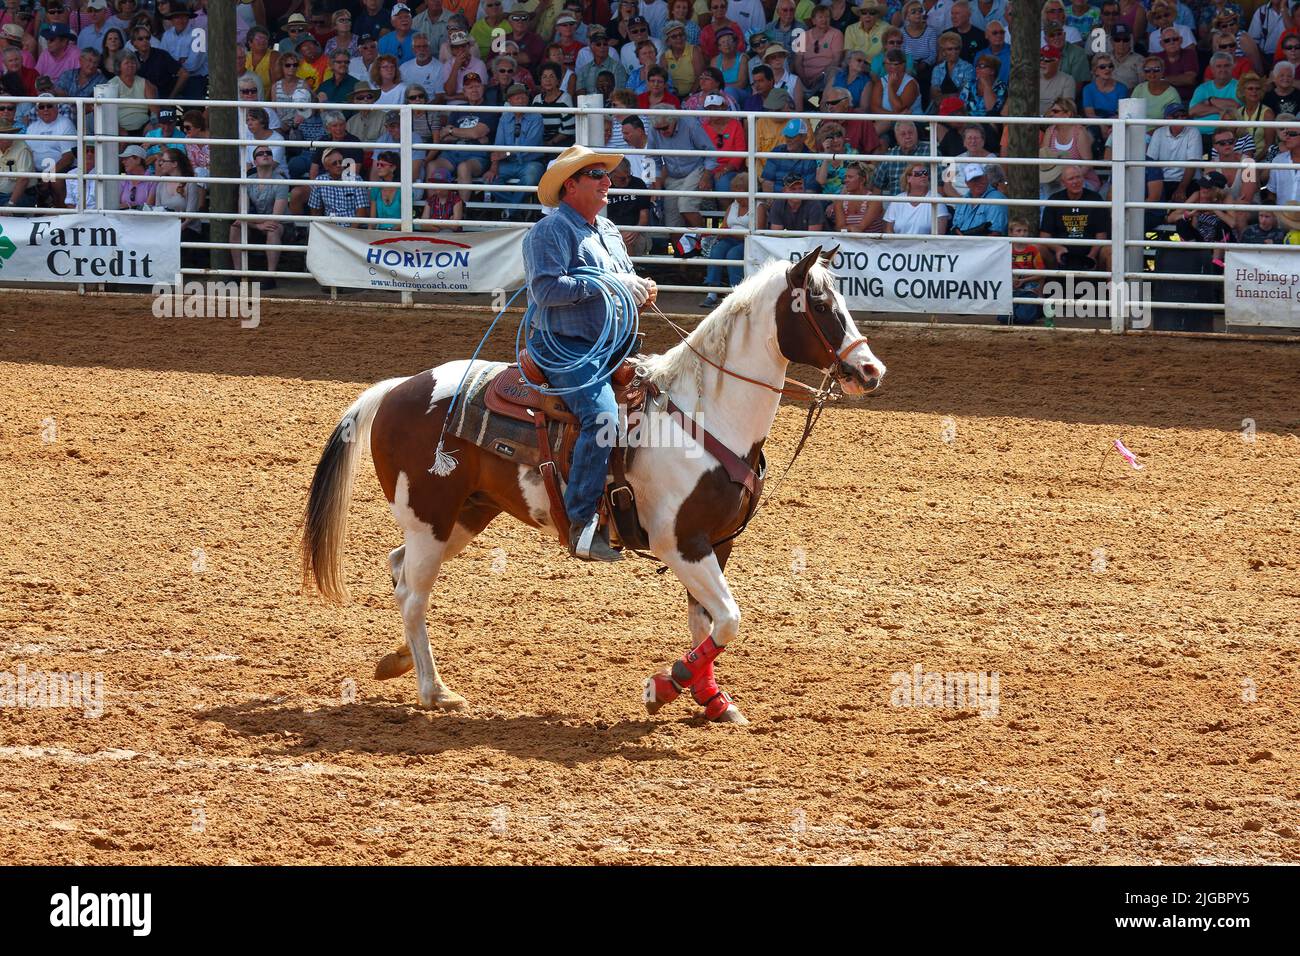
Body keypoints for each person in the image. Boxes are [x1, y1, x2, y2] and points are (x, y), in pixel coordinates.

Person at [523, 144, 657, 562]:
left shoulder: (610, 231)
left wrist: (642, 288)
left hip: (612, 345)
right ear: (570, 186)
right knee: (600, 417)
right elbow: (545, 290)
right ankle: (581, 523)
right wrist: (607, 286)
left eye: (606, 174)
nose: (607, 181)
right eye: (596, 175)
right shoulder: (549, 232)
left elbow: (626, 279)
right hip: (567, 347)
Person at [488, 83, 545, 213]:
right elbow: (498, 145)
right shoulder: (505, 118)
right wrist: (494, 165)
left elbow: (531, 145)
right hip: (508, 163)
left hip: (530, 163)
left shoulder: (536, 117)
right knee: (490, 180)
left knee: (531, 178)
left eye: (523, 97)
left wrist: (507, 153)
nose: (521, 101)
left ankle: (509, 211)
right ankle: (515, 210)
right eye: (516, 97)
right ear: (510, 101)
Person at [1040, 165, 1109, 269]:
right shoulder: (1054, 199)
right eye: (1071, 179)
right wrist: (1058, 248)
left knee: (1110, 251)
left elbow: (1101, 235)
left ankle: (1112, 285)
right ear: (1063, 183)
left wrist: (1092, 255)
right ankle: (1041, 283)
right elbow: (1044, 236)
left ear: (1083, 179)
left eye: (1078, 177)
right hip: (1061, 253)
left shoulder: (1095, 198)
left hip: (1090, 252)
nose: (1075, 181)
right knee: (1037, 248)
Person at [883, 162, 949, 235]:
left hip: (926, 245)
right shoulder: (897, 200)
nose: (923, 176)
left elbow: (939, 233)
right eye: (918, 174)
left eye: (925, 173)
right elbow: (888, 230)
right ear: (908, 178)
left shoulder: (937, 199)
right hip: (899, 245)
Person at [606, 158, 653, 257]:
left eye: (629, 176)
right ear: (611, 175)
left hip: (636, 232)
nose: (627, 181)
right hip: (611, 231)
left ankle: (629, 270)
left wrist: (635, 230)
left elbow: (644, 216)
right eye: (622, 178)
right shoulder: (603, 185)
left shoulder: (638, 184)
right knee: (620, 239)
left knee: (625, 240)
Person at [949, 164, 1006, 235]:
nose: (978, 183)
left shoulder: (997, 198)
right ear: (967, 183)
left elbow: (995, 233)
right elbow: (955, 227)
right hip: (962, 243)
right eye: (973, 180)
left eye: (980, 178)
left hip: (984, 244)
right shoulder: (963, 200)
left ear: (986, 178)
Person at [757, 172, 825, 231]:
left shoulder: (814, 203)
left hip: (812, 244)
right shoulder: (777, 204)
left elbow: (813, 238)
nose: (797, 192)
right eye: (793, 189)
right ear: (784, 191)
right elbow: (776, 236)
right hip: (786, 244)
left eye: (800, 188)